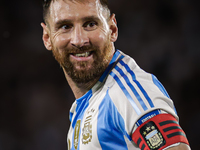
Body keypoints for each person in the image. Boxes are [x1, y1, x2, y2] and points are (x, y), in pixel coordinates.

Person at [41, 0, 191, 149]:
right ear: (47, 38)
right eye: (65, 26)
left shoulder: (128, 92)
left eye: (91, 24)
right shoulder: (85, 104)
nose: (79, 40)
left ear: (112, 29)